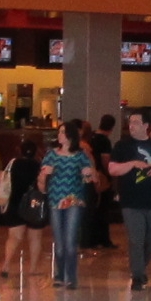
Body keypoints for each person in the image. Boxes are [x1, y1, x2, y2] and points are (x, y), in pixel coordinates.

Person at [108, 111, 151, 290]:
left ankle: (140, 269)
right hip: (131, 201)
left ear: (146, 126)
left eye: (136, 122)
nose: (131, 125)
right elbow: (112, 169)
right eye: (130, 122)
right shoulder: (122, 146)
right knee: (136, 239)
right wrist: (132, 164)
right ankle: (137, 276)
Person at [40, 124, 95, 289]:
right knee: (59, 240)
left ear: (71, 136)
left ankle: (70, 276)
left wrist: (88, 173)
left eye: (63, 132)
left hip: (74, 200)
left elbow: (90, 174)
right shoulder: (51, 155)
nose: (60, 135)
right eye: (59, 132)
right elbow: (42, 177)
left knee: (70, 239)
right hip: (55, 199)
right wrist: (45, 174)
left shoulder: (80, 156)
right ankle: (59, 274)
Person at [0, 137, 48, 281]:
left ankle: (6, 264)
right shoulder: (40, 165)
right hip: (34, 204)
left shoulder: (13, 164)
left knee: (14, 237)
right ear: (35, 152)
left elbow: (1, 178)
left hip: (14, 204)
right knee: (35, 238)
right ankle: (32, 269)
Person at [82, 114, 116, 250]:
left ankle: (91, 239)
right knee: (103, 209)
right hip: (101, 177)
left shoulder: (91, 138)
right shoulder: (105, 141)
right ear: (112, 127)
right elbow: (105, 160)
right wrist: (110, 175)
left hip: (90, 177)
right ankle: (104, 240)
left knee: (93, 209)